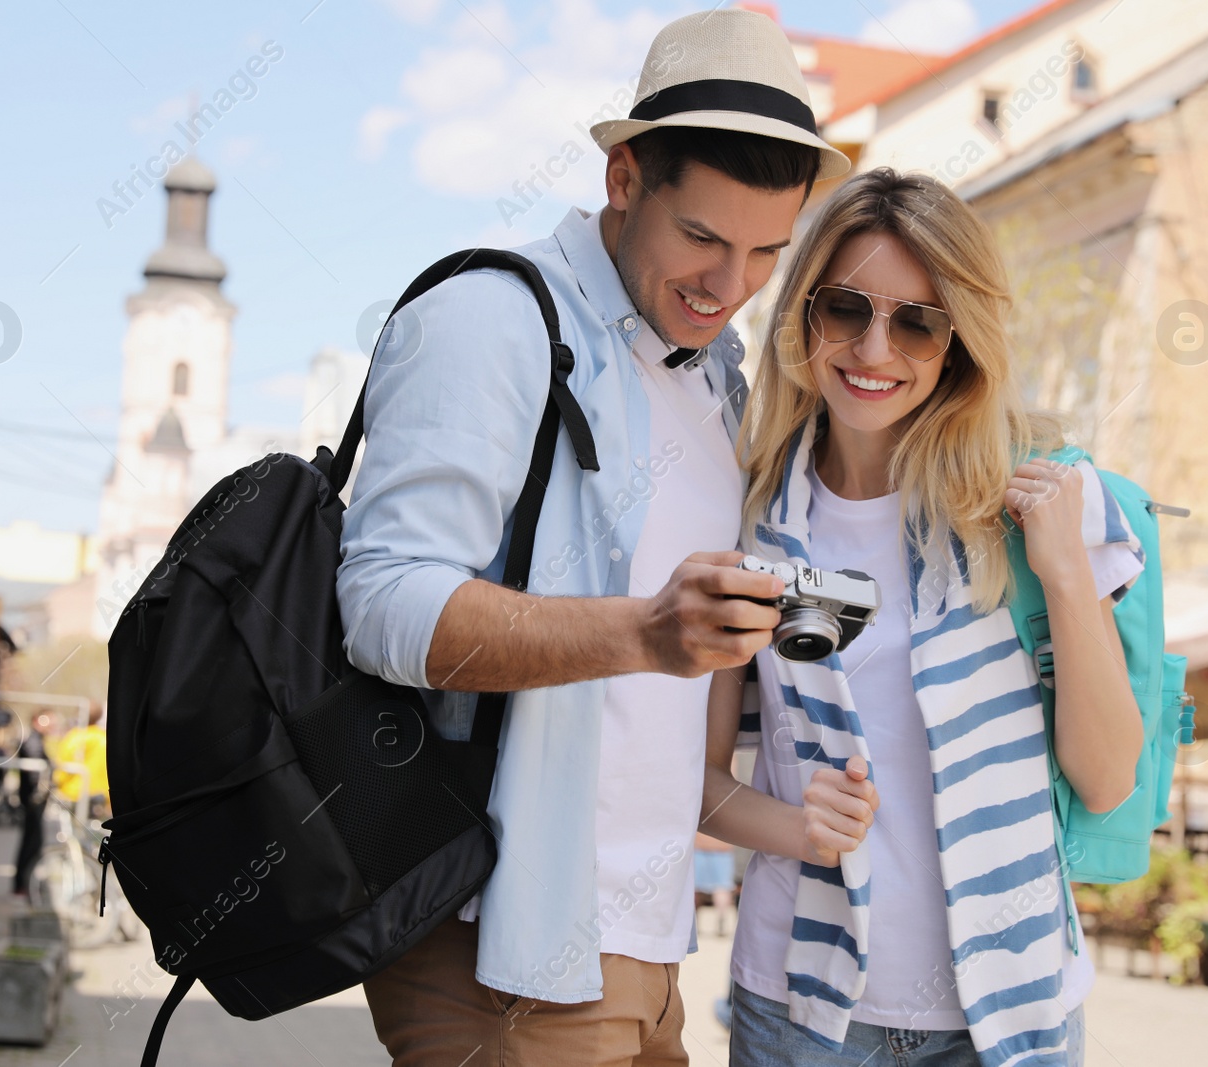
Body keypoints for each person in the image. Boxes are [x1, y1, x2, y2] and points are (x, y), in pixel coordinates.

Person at [336, 10, 849, 1066]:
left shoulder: (715, 372)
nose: (728, 284)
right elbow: (383, 603)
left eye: (765, 251)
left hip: (648, 944)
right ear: (623, 179)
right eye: (702, 238)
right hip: (501, 944)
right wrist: (644, 631)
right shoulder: (494, 315)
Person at [700, 168, 1147, 1066]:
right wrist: (797, 826)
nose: (875, 348)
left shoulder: (1042, 501)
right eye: (846, 309)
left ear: (958, 343)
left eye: (917, 321)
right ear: (803, 317)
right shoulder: (750, 519)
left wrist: (1063, 572)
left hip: (1009, 1018)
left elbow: (1106, 780)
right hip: (801, 1014)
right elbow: (697, 779)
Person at [11, 712, 52, 898]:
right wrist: (40, 789)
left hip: (32, 800)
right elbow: (36, 768)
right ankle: (23, 883)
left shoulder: (36, 739)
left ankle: (23, 883)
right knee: (32, 843)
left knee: (32, 842)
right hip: (32, 801)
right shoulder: (33, 740)